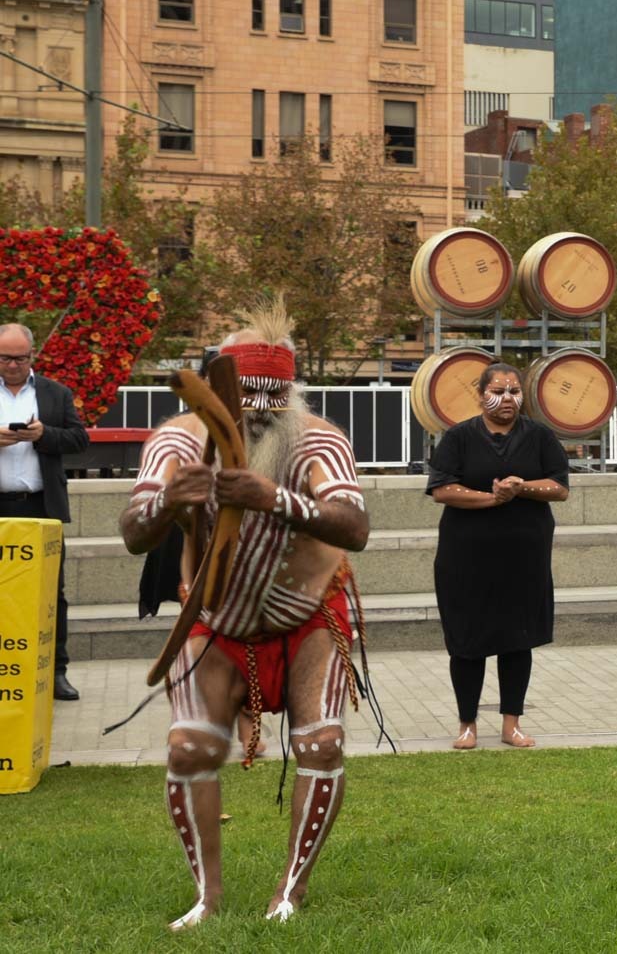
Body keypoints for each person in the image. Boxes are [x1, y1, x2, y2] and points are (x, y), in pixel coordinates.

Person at [116, 300, 369, 926]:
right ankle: (208, 897)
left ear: (291, 394)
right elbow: (132, 532)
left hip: (308, 613)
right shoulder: (177, 440)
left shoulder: (319, 440)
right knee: (189, 752)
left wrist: (275, 498)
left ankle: (292, 890)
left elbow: (355, 526)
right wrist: (168, 501)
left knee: (322, 741)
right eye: (244, 398)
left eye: (272, 399)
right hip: (215, 617)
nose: (256, 414)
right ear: (218, 391)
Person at [428, 361, 572, 752]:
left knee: (517, 640)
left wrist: (521, 487)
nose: (507, 399)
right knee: (466, 641)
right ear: (480, 395)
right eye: (498, 391)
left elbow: (560, 487)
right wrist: (491, 498)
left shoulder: (539, 435)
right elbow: (441, 489)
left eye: (514, 392)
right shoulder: (458, 437)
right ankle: (467, 724)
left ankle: (512, 723)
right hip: (466, 559)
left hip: (523, 559)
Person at [0, 322, 89, 701]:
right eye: (5, 358)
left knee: (52, 592)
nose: (13, 365)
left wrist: (44, 436)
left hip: (41, 506)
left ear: (33, 356)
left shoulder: (55, 393)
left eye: (20, 358)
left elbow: (79, 439)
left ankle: (56, 671)